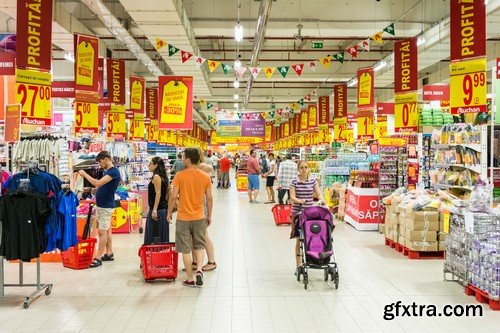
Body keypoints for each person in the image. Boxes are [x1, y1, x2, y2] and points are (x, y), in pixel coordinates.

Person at [167, 148, 213, 287]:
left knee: (185, 249)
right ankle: (199, 269)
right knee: (199, 245)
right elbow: (209, 198)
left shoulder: (180, 176)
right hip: (199, 216)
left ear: (188, 160)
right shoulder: (205, 176)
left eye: (183, 157)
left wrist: (169, 212)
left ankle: (190, 278)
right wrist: (209, 215)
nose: (182, 159)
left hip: (183, 217)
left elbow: (174, 196)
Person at [78, 151, 121, 268]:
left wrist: (84, 174)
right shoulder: (109, 172)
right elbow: (102, 186)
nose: (100, 165)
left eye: (100, 162)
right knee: (106, 230)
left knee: (102, 231)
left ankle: (98, 258)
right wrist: (93, 190)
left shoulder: (113, 171)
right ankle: (109, 253)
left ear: (106, 159)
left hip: (106, 206)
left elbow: (97, 182)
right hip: (103, 205)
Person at [289, 161, 325, 275]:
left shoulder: (313, 180)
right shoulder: (294, 181)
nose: (304, 169)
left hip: (310, 213)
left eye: (306, 167)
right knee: (299, 239)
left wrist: (321, 199)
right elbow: (292, 197)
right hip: (298, 213)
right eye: (301, 167)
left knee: (312, 236)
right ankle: (298, 265)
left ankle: (313, 258)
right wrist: (299, 201)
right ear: (298, 169)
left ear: (309, 169)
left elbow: (318, 193)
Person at [144, 157, 169, 244]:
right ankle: (161, 254)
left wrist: (154, 210)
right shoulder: (163, 177)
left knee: (154, 235)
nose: (148, 165)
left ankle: (154, 255)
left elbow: (158, 194)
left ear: (156, 165)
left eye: (150, 163)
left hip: (157, 210)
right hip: (162, 209)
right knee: (161, 235)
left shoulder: (156, 176)